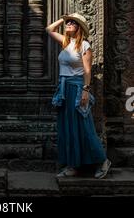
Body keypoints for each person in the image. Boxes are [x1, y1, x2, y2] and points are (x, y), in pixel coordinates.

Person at [45, 13, 111, 179]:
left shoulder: (85, 46)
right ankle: (72, 165)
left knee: (84, 127)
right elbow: (49, 29)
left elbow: (88, 71)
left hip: (77, 88)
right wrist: (63, 18)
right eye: (68, 23)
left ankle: (103, 161)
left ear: (79, 28)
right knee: (67, 128)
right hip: (64, 89)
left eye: (73, 23)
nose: (68, 24)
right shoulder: (66, 42)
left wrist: (85, 90)